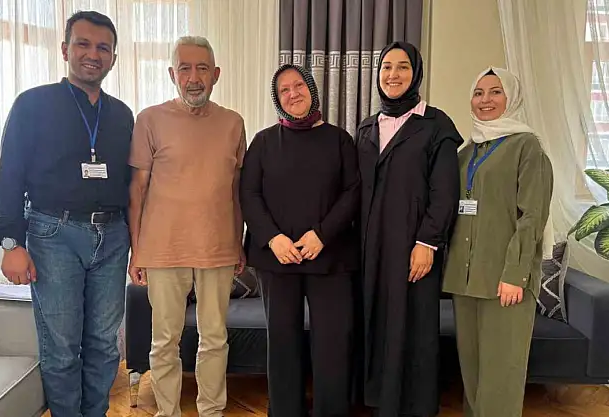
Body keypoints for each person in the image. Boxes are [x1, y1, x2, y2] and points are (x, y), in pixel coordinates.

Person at [0, 11, 133, 416]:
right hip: (53, 235)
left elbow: (134, 185)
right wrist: (11, 243)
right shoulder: (33, 104)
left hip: (113, 237)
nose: (93, 54)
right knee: (63, 346)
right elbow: (10, 175)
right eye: (83, 44)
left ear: (113, 57)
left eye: (103, 47)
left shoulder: (122, 115)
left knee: (105, 344)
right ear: (65, 49)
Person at [127, 36, 246, 417]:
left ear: (216, 74)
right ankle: (167, 413)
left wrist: (239, 242)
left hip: (218, 248)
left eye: (202, 68)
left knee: (215, 338)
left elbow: (237, 190)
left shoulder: (233, 123)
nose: (194, 78)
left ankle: (211, 411)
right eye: (185, 68)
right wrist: (137, 251)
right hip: (163, 248)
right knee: (165, 341)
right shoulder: (149, 119)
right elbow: (137, 190)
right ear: (172, 74)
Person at [240, 64, 359, 417]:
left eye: (298, 86)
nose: (293, 94)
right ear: (277, 99)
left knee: (333, 344)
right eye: (284, 90)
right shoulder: (263, 142)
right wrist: (272, 238)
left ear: (311, 89)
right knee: (282, 342)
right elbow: (249, 194)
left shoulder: (340, 140)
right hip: (277, 259)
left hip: (332, 257)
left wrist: (322, 234)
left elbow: (353, 192)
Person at [355, 41, 463, 417]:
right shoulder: (367, 127)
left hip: (414, 247)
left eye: (402, 67)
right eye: (386, 67)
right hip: (370, 248)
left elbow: (445, 192)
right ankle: (379, 400)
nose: (393, 75)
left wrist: (427, 243)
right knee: (375, 320)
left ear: (416, 74)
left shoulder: (437, 125)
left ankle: (414, 406)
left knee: (412, 325)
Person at [442, 67, 553, 417]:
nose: (485, 100)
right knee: (473, 374)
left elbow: (532, 216)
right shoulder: (466, 152)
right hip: (465, 279)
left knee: (501, 374)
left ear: (512, 98)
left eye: (495, 92)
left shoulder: (527, 146)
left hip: (505, 279)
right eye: (478, 93)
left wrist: (516, 274)